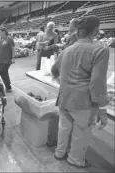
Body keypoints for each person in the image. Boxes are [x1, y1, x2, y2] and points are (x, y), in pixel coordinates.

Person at [51, 16, 110, 168]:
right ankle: (75, 159)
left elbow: (54, 70)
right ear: (95, 32)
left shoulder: (66, 50)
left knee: (64, 128)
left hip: (64, 97)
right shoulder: (100, 50)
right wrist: (102, 109)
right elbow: (97, 83)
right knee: (80, 132)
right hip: (83, 101)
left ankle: (59, 152)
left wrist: (62, 79)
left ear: (78, 32)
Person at [0, 28, 15, 92]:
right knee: (3, 72)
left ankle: (8, 86)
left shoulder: (9, 39)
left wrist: (13, 57)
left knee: (2, 71)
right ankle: (7, 87)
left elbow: (13, 48)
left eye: (0, 32)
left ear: (4, 32)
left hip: (7, 59)